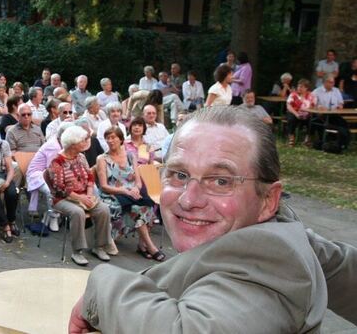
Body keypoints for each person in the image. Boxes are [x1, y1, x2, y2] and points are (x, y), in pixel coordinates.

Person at [68, 106, 332, 333]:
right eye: (180, 174)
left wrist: (101, 288)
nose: (188, 199)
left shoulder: (269, 262)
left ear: (268, 201)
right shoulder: (284, 238)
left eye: (221, 181)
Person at [48, 125, 114, 266]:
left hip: (83, 196)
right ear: (73, 143)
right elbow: (59, 188)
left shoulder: (81, 157)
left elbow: (90, 177)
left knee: (104, 209)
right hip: (62, 199)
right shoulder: (57, 161)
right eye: (82, 140)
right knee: (77, 212)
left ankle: (99, 247)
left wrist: (89, 195)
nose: (85, 143)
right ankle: (77, 251)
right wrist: (80, 198)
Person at [96, 126, 163, 261]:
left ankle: (143, 244)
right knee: (134, 209)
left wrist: (136, 189)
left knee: (146, 204)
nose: (110, 140)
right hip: (113, 193)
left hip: (131, 192)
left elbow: (138, 181)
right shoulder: (102, 159)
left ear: (121, 139)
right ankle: (148, 246)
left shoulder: (131, 155)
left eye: (113, 137)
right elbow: (103, 186)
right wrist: (125, 190)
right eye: (107, 138)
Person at [285, 79, 316, 147]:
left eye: (301, 87)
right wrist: (296, 114)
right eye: (298, 86)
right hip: (294, 113)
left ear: (306, 88)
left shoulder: (311, 96)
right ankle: (291, 138)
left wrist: (307, 112)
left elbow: (313, 107)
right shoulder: (293, 94)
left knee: (313, 120)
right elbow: (288, 106)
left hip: (306, 114)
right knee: (291, 118)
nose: (299, 88)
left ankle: (307, 140)